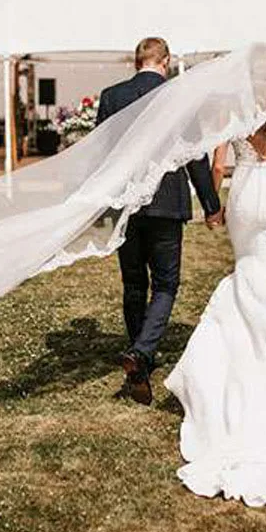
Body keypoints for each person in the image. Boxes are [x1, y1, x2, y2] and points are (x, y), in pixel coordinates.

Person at [164, 65, 266, 510]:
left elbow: (218, 164)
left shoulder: (234, 108)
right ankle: (264, 361)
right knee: (264, 285)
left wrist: (212, 209)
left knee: (245, 278)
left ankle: (233, 357)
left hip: (243, 195)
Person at [96, 37, 223, 405]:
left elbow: (100, 157)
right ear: (165, 61)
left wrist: (100, 211)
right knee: (166, 283)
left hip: (125, 204)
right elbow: (196, 157)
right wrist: (211, 204)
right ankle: (140, 353)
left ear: (137, 62)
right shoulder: (178, 96)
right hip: (167, 204)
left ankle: (139, 354)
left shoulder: (111, 96)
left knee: (134, 282)